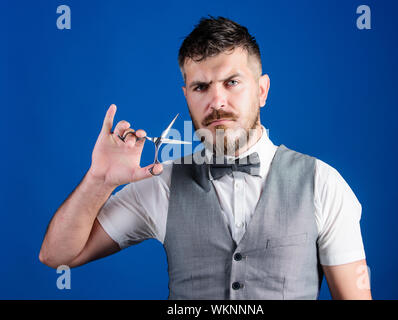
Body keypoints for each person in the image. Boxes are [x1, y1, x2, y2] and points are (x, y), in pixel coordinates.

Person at [39, 16, 371, 300]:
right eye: (201, 87)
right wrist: (100, 181)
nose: (217, 101)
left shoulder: (322, 183)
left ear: (262, 90)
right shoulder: (162, 181)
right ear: (186, 95)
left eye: (232, 82)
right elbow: (57, 256)